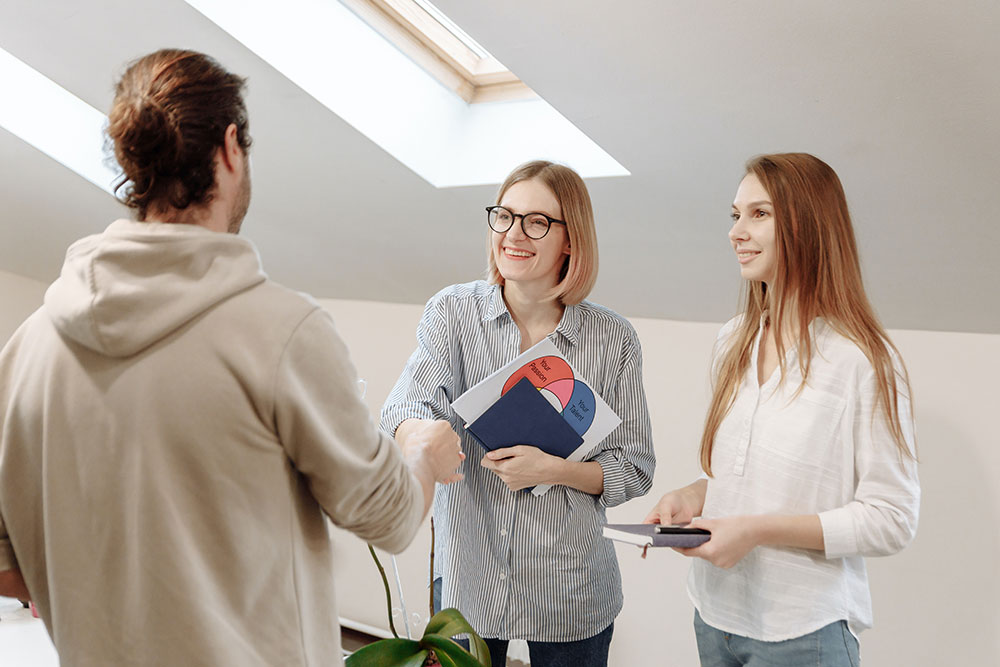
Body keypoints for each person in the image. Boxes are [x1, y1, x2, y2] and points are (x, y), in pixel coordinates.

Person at [0, 48, 464, 665]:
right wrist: (422, 454)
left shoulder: (28, 349)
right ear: (228, 148)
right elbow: (392, 517)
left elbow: (10, 569)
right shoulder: (282, 332)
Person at [645, 153, 920, 665]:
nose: (736, 232)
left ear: (807, 224)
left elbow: (892, 518)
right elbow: (758, 476)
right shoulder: (733, 341)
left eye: (759, 214)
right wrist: (694, 495)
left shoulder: (863, 361)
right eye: (735, 215)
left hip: (803, 632)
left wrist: (756, 531)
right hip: (714, 617)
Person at [380, 160, 656, 667]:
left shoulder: (612, 340)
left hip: (573, 589)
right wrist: (422, 434)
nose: (513, 234)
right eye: (504, 216)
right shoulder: (452, 312)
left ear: (570, 240)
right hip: (471, 582)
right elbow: (402, 405)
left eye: (536, 222)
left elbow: (636, 469)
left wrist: (554, 470)